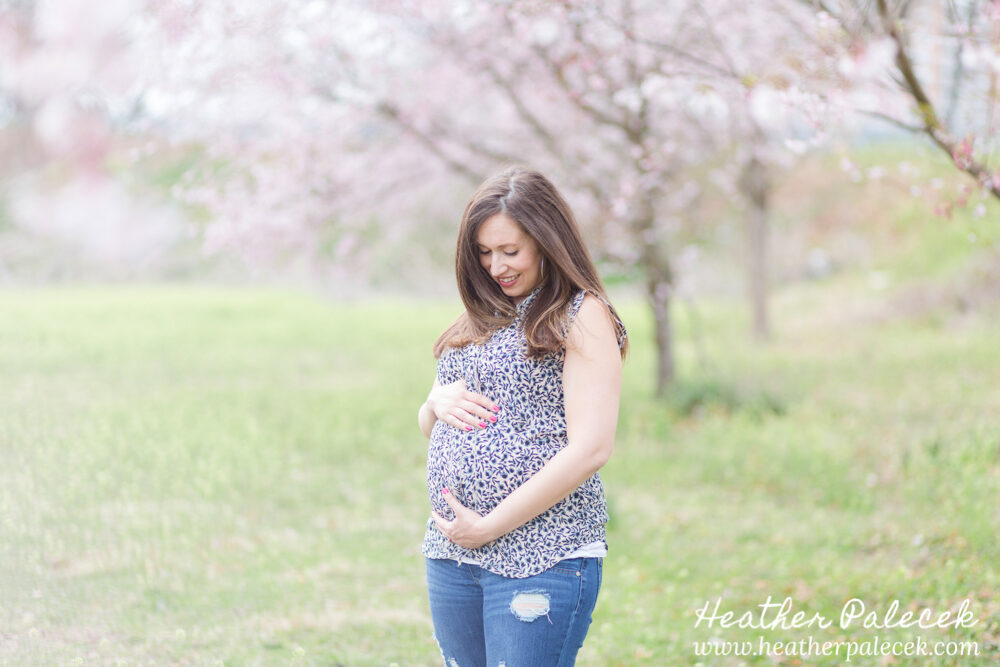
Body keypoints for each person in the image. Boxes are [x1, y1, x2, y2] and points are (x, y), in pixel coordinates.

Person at [416, 166, 628, 666]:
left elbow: (592, 448)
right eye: (484, 253)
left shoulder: (581, 314)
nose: (496, 266)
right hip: (454, 554)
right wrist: (431, 406)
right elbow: (437, 423)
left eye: (510, 251)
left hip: (544, 553)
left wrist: (489, 526)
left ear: (547, 240)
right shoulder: (484, 315)